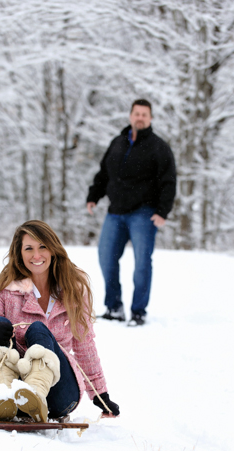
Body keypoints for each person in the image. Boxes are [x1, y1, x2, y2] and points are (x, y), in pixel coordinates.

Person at [0, 220, 120, 423]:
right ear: (20, 254)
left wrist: (100, 394)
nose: (36, 255)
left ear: (53, 250)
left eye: (43, 247)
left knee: (38, 329)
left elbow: (84, 345)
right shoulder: (8, 290)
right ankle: (4, 394)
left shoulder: (73, 291)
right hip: (6, 392)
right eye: (29, 248)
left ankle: (35, 393)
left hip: (59, 395)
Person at [86, 99, 176, 327]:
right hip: (115, 212)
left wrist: (163, 211)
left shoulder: (159, 147)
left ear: (150, 118)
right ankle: (114, 307)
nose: (140, 117)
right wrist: (93, 196)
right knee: (106, 257)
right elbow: (104, 173)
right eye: (137, 113)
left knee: (142, 263)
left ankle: (138, 312)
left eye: (145, 114)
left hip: (143, 214)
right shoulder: (117, 143)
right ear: (130, 116)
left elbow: (169, 181)